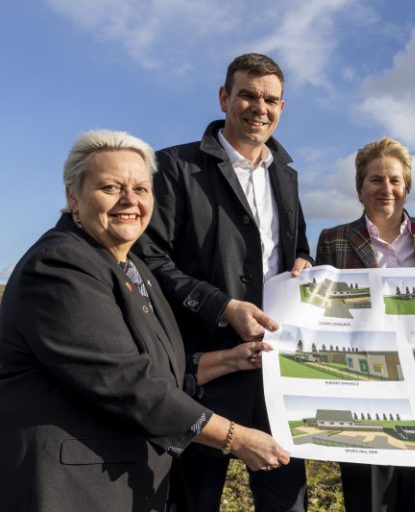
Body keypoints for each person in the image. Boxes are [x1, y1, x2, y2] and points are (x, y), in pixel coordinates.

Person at [0, 131, 290, 512]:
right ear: (74, 197)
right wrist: (234, 437)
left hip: (125, 481)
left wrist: (231, 360)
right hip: (74, 488)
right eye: (110, 187)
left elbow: (158, 367)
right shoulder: (59, 265)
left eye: (141, 188)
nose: (130, 201)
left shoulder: (133, 267)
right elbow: (125, 381)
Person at [134, 53, 312, 511]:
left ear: (282, 107)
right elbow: (149, 258)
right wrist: (222, 306)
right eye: (248, 95)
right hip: (201, 369)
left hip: (274, 370)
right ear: (224, 98)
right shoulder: (173, 168)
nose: (259, 107)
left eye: (270, 99)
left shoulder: (287, 176)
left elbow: (296, 247)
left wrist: (303, 264)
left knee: (286, 499)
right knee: (193, 499)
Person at [315, 137, 415, 512]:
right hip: (365, 389)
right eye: (375, 180)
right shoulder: (334, 239)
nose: (386, 189)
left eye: (394, 180)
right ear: (360, 187)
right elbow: (323, 315)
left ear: (406, 186)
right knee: (369, 499)